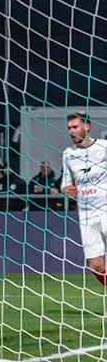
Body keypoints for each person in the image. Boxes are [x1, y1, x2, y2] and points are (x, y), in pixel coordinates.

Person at [59, 112, 107, 291]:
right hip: (86, 215)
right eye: (69, 128)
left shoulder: (104, 147)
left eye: (75, 127)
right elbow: (65, 184)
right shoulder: (68, 154)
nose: (71, 131)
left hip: (106, 209)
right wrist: (66, 190)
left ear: (87, 127)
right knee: (95, 265)